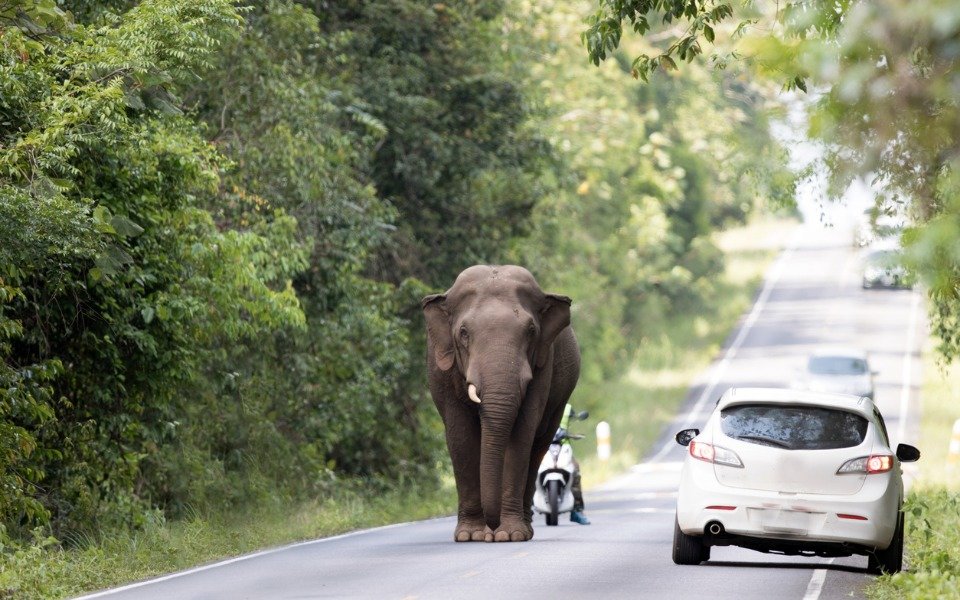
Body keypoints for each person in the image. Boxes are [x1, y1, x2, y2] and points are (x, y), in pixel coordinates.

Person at [559, 404, 590, 525]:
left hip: (563, 446)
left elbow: (575, 418)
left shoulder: (567, 408)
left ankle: (577, 510)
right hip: (544, 446)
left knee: (574, 470)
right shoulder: (539, 402)